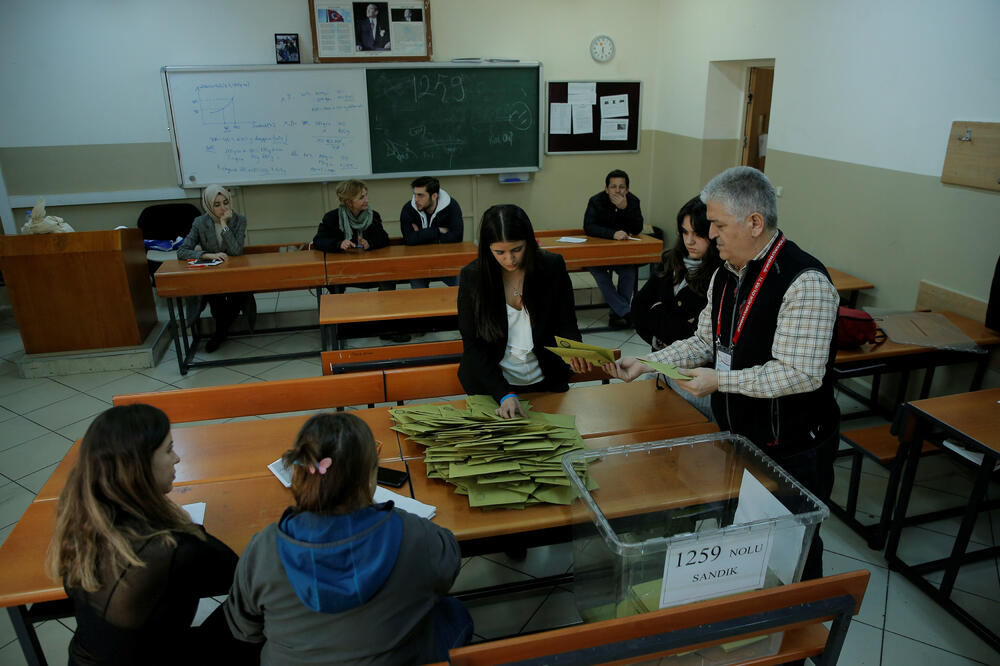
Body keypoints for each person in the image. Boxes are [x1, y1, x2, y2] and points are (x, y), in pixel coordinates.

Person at [602, 166, 840, 581]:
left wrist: (720, 380)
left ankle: (804, 632)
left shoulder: (805, 283)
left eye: (717, 224)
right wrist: (646, 363)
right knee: (745, 537)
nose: (710, 235)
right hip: (739, 436)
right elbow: (704, 343)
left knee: (793, 549)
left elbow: (800, 374)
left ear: (754, 223)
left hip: (794, 446)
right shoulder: (726, 275)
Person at [223, 412, 471, 664]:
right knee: (453, 613)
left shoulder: (263, 548)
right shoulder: (414, 535)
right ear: (369, 477)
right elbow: (446, 572)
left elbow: (245, 629)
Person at [46, 404, 242, 666]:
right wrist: (184, 522)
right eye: (169, 449)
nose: (177, 459)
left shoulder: (81, 523)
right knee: (261, 598)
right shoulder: (171, 547)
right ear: (139, 468)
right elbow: (234, 572)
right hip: (156, 657)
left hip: (87, 657)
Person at [458, 204, 581, 419]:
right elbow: (474, 347)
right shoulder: (473, 277)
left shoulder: (551, 267)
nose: (509, 260)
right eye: (500, 252)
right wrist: (504, 394)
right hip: (492, 386)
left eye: (517, 249)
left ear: (529, 242)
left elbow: (566, 322)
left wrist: (575, 352)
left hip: (547, 379)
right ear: (487, 248)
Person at [632, 195, 722, 350]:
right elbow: (638, 309)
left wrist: (657, 312)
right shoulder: (670, 260)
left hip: (695, 369)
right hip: (659, 360)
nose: (689, 241)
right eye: (685, 232)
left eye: (698, 234)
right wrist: (659, 339)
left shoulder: (721, 274)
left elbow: (698, 336)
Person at [177, 184, 252, 352]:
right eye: (217, 205)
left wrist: (224, 224)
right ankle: (220, 333)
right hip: (211, 274)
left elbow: (236, 251)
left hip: (235, 273)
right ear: (208, 205)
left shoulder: (239, 220)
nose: (223, 208)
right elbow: (182, 251)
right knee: (216, 302)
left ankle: (219, 334)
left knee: (237, 298)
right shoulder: (200, 222)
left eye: (226, 202)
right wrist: (206, 255)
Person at [583, 169, 644, 329]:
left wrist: (625, 208)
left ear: (627, 189)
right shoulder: (596, 201)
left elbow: (637, 228)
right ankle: (625, 312)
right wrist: (612, 234)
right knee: (599, 273)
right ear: (606, 189)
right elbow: (588, 227)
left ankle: (617, 313)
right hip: (597, 254)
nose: (617, 190)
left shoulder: (633, 201)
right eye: (613, 186)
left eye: (621, 187)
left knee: (629, 271)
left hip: (621, 254)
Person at [399, 175, 463, 288]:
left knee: (461, 286)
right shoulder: (408, 209)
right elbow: (409, 240)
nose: (416, 199)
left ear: (434, 196)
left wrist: (420, 236)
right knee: (418, 294)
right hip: (419, 263)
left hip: (445, 261)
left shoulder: (451, 206)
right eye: (415, 194)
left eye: (421, 195)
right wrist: (437, 230)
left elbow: (457, 236)